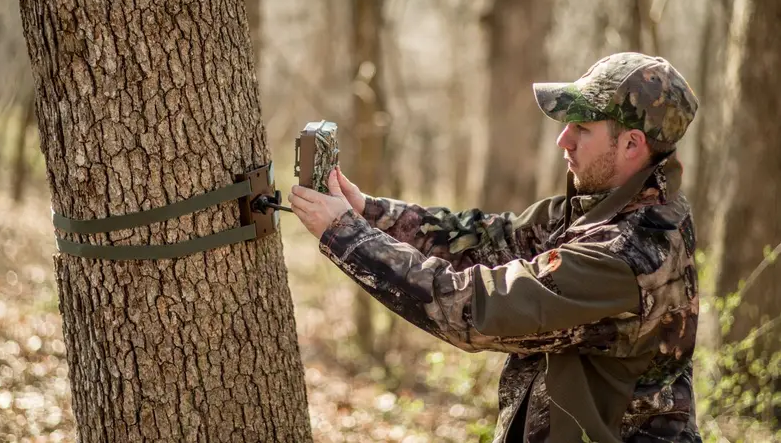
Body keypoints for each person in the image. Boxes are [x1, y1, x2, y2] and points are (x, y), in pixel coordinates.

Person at [289, 52, 701, 443]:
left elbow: (474, 308)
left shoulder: (624, 253)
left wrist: (345, 234)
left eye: (582, 128)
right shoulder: (613, 205)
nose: (563, 140)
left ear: (632, 145)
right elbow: (494, 238)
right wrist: (370, 212)